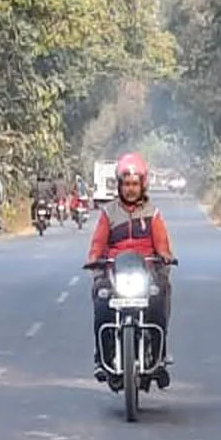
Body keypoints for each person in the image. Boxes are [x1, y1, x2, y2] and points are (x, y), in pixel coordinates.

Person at [85, 153, 177, 377]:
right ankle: (102, 356)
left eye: (135, 184)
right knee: (100, 302)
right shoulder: (109, 213)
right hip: (115, 273)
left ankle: (159, 354)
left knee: (159, 299)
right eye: (126, 184)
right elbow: (98, 243)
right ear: (119, 185)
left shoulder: (152, 213)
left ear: (142, 185)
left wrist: (164, 256)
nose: (130, 189)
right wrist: (94, 260)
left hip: (146, 271)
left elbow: (162, 244)